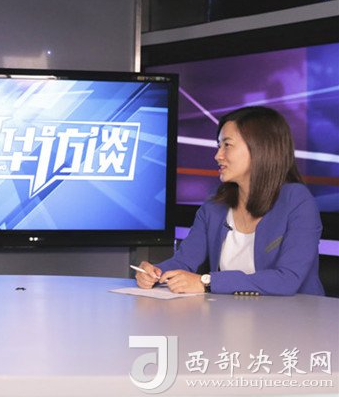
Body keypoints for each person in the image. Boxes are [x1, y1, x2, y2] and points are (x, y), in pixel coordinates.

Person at [136, 106, 324, 296]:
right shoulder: (214, 206)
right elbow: (184, 261)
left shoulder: (297, 201)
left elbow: (287, 279)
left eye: (227, 145)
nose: (218, 156)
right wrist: (154, 272)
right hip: (228, 312)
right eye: (219, 146)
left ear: (260, 148)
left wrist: (207, 282)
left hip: (294, 313)